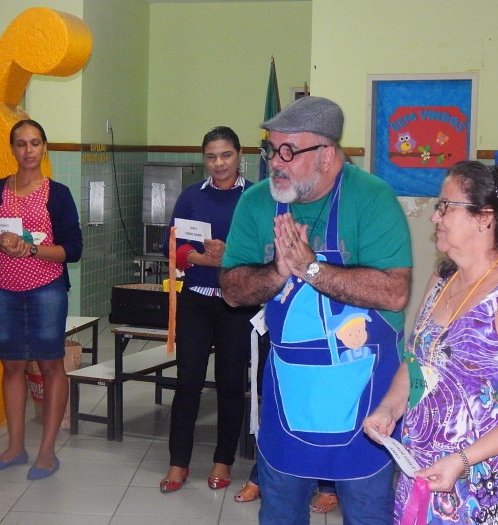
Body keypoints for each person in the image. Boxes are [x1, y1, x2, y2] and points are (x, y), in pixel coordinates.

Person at [220, 96, 412, 525]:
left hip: (365, 397)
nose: (275, 162)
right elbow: (231, 291)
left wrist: (311, 268)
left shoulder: (372, 199)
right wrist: (277, 271)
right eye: (271, 149)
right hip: (292, 392)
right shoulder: (256, 203)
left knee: (368, 513)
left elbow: (394, 293)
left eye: (289, 151)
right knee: (280, 511)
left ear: (326, 155)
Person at [364, 161, 498, 524]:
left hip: (489, 485)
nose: (434, 217)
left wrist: (462, 460)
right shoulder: (443, 280)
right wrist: (390, 408)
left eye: (445, 206)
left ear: (484, 217)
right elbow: (418, 361)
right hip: (426, 469)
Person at [0, 119, 82, 480]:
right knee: (12, 366)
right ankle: (15, 447)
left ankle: (47, 451)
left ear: (44, 147)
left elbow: (73, 249)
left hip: (46, 290)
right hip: (2, 290)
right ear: (12, 149)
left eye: (35, 143)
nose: (28, 150)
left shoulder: (57, 193)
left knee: (50, 365)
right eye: (21, 143)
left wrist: (31, 249)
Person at [159, 126, 259, 493]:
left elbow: (265, 250)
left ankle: (223, 461)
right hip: (196, 300)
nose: (219, 163)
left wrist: (229, 256)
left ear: (239, 155)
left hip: (238, 304)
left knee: (231, 383)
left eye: (226, 155)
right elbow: (173, 245)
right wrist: (205, 258)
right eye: (211, 157)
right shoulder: (191, 196)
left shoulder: (256, 196)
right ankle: (178, 463)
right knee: (188, 382)